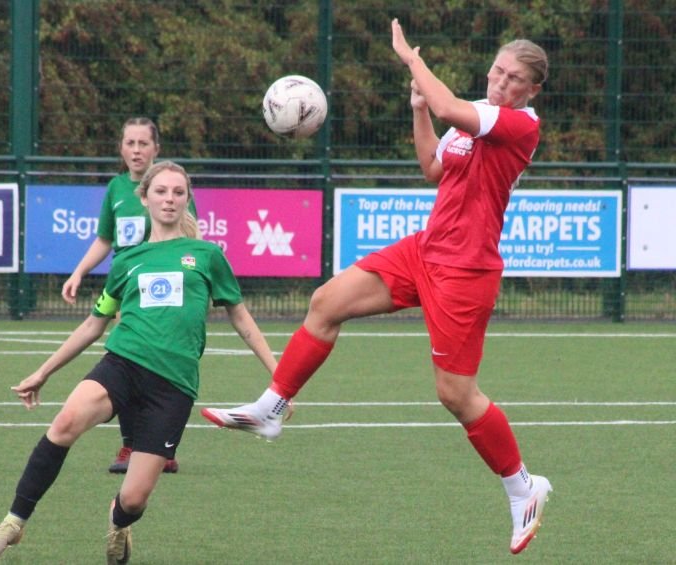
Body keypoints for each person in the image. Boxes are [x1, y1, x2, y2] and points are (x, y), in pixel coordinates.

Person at [202, 19, 552, 556]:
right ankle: (271, 409)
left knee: (455, 394)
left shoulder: (517, 125)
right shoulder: (473, 122)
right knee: (326, 302)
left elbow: (452, 108)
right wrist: (416, 108)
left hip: (465, 272)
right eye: (498, 71)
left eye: (514, 79)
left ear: (531, 90)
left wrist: (411, 61)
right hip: (424, 251)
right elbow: (434, 167)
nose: (501, 83)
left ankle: (522, 486)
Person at [0, 161, 277, 563]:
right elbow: (93, 324)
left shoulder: (206, 255)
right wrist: (43, 372)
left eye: (178, 192)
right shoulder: (127, 261)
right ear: (145, 197)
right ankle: (13, 523)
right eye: (161, 191)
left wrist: (280, 375)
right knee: (64, 423)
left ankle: (118, 522)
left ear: (187, 199)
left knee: (134, 498)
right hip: (123, 365)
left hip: (174, 385)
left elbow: (240, 316)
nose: (169, 199)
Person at [62, 117, 197, 475]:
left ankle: (159, 445)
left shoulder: (170, 187)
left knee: (159, 364)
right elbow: (105, 239)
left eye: (143, 144)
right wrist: (79, 271)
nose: (136, 151)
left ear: (157, 148)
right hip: (126, 289)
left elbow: (191, 237)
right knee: (127, 360)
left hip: (165, 290)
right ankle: (130, 446)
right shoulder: (117, 189)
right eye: (130, 143)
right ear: (121, 148)